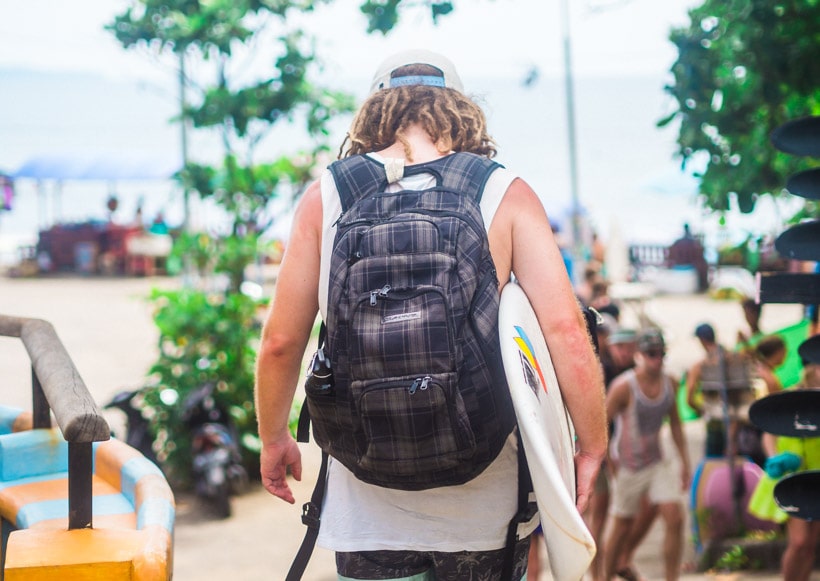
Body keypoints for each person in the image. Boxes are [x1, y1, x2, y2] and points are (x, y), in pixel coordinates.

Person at [254, 50, 608, 581]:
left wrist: (273, 437)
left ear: (373, 113)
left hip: (364, 497)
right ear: (461, 111)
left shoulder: (327, 195)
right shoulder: (501, 190)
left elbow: (282, 341)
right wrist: (591, 445)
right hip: (486, 495)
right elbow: (565, 334)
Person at [604, 329, 690, 581]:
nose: (657, 359)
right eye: (651, 354)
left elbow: (675, 423)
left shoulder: (670, 383)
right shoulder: (623, 386)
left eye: (661, 354)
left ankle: (671, 577)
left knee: (674, 516)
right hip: (628, 463)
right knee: (621, 526)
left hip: (656, 461)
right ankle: (606, 576)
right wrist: (608, 463)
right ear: (640, 355)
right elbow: (602, 424)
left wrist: (685, 461)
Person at [667, 223, 708, 292]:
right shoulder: (693, 242)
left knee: (702, 265)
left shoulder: (678, 242)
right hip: (687, 265)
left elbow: (670, 256)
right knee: (703, 265)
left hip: (678, 265)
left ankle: (703, 286)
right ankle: (703, 286)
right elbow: (700, 255)